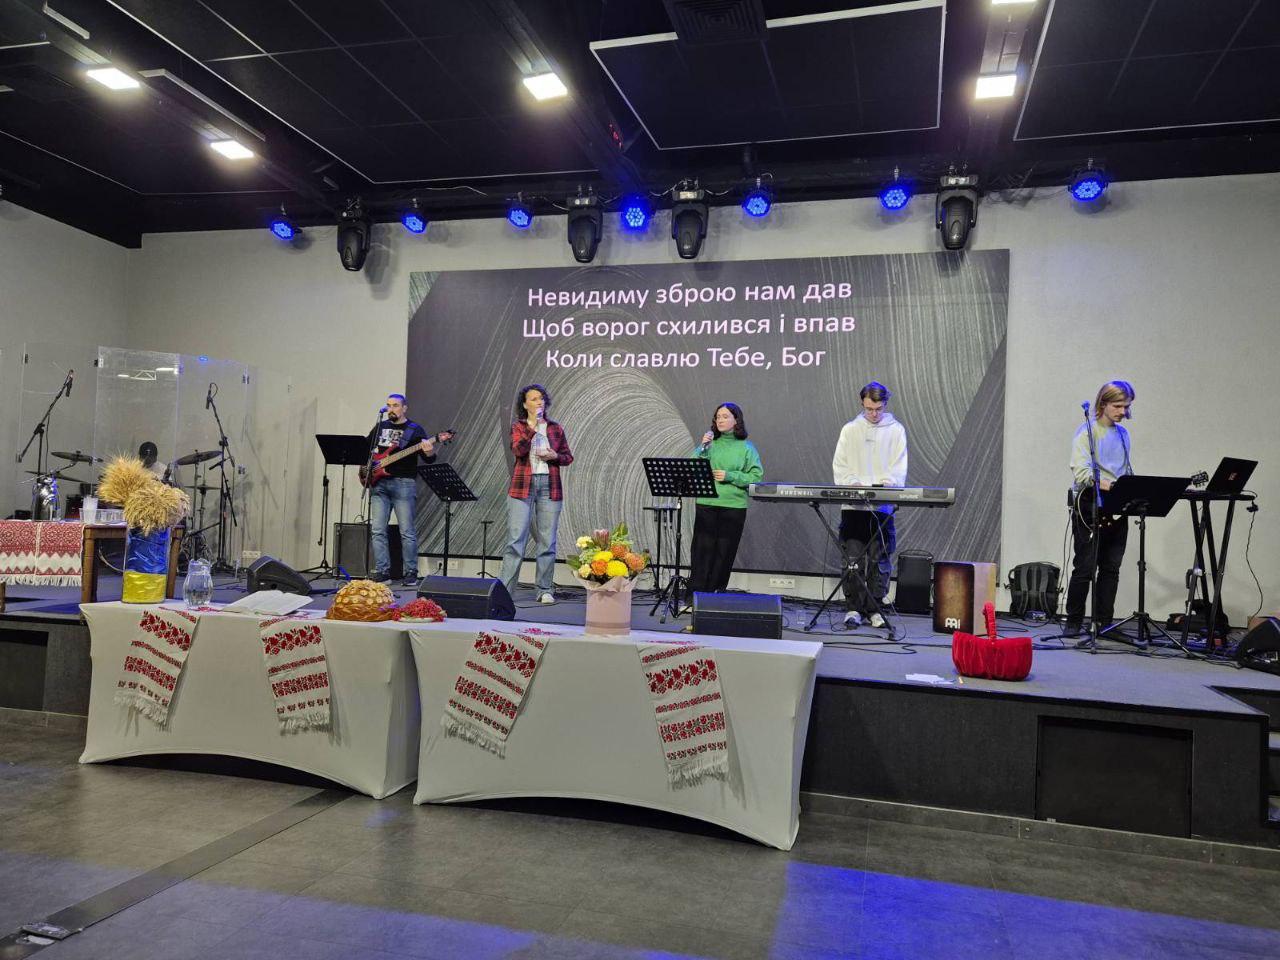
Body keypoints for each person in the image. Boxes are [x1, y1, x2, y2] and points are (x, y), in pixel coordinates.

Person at [831, 381, 908, 629]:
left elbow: (898, 466)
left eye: (878, 409)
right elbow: (840, 464)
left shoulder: (896, 430)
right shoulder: (850, 430)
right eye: (869, 409)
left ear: (885, 405)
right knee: (852, 559)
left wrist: (885, 485)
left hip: (881, 508)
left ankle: (875, 609)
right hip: (853, 508)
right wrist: (852, 484)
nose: (874, 414)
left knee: (879, 559)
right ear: (862, 405)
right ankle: (854, 608)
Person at [1065, 380, 1135, 637]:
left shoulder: (1123, 434)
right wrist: (1110, 485)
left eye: (1126, 407)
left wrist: (1129, 488)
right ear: (1103, 404)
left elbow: (1124, 469)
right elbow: (1082, 472)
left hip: (1116, 504)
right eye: (1118, 406)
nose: (1123, 412)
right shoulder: (1086, 432)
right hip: (1090, 503)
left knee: (1111, 568)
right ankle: (1073, 622)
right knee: (1085, 566)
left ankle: (1104, 623)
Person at [500, 384, 573, 604]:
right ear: (525, 405)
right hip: (522, 485)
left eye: (541, 398)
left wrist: (554, 456)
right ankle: (505, 592)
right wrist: (533, 428)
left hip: (549, 485)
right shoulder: (518, 427)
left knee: (547, 541)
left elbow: (567, 457)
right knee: (515, 540)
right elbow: (518, 450)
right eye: (533, 399)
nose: (539, 402)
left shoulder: (555, 428)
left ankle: (544, 589)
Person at [688, 403, 764, 604]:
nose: (720, 420)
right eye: (717, 417)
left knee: (724, 552)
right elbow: (692, 468)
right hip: (707, 503)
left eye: (725, 416)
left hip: (734, 507)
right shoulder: (709, 445)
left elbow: (756, 477)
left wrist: (731, 476)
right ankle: (694, 597)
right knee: (701, 551)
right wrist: (702, 448)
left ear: (736, 420)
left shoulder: (747, 448)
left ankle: (714, 597)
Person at [366, 393, 435, 587]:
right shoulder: (381, 427)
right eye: (388, 405)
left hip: (403, 483)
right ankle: (382, 571)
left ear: (404, 408)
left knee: (407, 531)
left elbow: (429, 458)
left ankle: (411, 572)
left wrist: (429, 450)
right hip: (379, 483)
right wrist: (368, 467)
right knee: (378, 530)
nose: (391, 409)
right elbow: (366, 449)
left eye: (395, 405)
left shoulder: (414, 429)